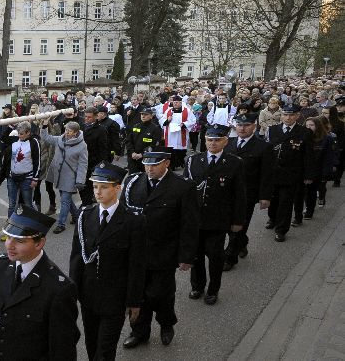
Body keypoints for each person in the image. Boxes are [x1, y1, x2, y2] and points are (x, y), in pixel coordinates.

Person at [0, 204, 80, 361]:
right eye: (8, 237)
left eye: (19, 240)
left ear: (39, 243)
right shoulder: (0, 267)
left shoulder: (58, 288)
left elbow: (62, 349)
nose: (10, 245)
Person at [121, 147, 199, 349]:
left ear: (167, 163)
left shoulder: (182, 187)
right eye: (147, 164)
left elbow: (189, 225)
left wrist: (187, 256)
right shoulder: (132, 182)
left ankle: (166, 323)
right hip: (136, 253)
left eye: (154, 164)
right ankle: (139, 332)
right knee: (136, 294)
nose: (149, 168)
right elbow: (122, 217)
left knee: (160, 294)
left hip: (164, 252)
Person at [70, 162, 147, 361]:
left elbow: (136, 264)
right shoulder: (85, 216)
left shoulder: (132, 221)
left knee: (105, 350)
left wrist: (134, 301)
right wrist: (72, 292)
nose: (98, 192)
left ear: (117, 188)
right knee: (91, 343)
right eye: (95, 186)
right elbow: (77, 258)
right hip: (88, 295)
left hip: (115, 297)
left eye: (104, 187)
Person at [183, 124, 246, 305]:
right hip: (196, 219)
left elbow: (239, 195)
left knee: (215, 257)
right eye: (210, 140)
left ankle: (213, 289)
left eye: (217, 140)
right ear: (205, 141)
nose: (213, 143)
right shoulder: (194, 160)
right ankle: (197, 286)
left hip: (218, 220)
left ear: (225, 141)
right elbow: (186, 191)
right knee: (196, 256)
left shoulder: (234, 163)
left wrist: (237, 220)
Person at [223, 114, 273, 270]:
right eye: (239, 125)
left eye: (246, 125)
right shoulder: (227, 143)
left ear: (254, 126)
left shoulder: (263, 147)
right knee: (226, 224)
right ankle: (242, 242)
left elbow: (267, 174)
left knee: (239, 225)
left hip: (247, 194)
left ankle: (230, 258)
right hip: (226, 193)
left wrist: (265, 196)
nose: (242, 128)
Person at [266, 104, 316, 242]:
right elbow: (267, 151)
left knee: (285, 203)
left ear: (297, 116)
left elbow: (309, 156)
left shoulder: (304, 132)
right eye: (285, 114)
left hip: (292, 174)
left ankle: (281, 229)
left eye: (291, 115)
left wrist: (308, 175)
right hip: (273, 173)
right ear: (281, 115)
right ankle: (272, 218)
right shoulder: (272, 130)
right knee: (273, 199)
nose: (288, 118)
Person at [40, 120, 88, 234]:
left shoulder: (82, 145)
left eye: (69, 131)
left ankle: (61, 224)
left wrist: (80, 180)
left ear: (76, 133)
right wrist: (45, 125)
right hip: (59, 175)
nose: (66, 132)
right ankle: (76, 216)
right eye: (66, 129)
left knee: (64, 200)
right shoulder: (60, 139)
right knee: (66, 198)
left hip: (70, 177)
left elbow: (83, 164)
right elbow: (46, 137)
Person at [302, 117, 338, 219]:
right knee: (306, 191)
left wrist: (326, 173)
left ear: (317, 126)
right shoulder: (303, 137)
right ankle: (308, 206)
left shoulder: (327, 138)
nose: (308, 128)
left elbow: (328, 157)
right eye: (307, 125)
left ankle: (310, 210)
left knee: (313, 190)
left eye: (311, 125)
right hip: (306, 169)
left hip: (319, 169)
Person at [5, 121, 40, 217]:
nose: (19, 136)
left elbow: (37, 161)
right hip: (12, 177)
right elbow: (3, 138)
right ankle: (11, 225)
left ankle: (33, 224)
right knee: (12, 204)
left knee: (28, 204)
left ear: (28, 132)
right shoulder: (15, 140)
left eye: (21, 134)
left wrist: (35, 178)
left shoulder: (34, 142)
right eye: (18, 133)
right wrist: (9, 127)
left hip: (27, 178)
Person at [80, 107, 109, 206]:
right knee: (81, 186)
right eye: (86, 117)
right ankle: (85, 204)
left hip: (93, 162)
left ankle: (86, 207)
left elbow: (103, 148)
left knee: (88, 187)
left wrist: (102, 165)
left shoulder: (101, 130)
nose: (87, 119)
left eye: (89, 117)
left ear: (96, 117)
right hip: (81, 162)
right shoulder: (81, 127)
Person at [159, 95, 196, 170]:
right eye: (174, 102)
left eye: (177, 102)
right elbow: (161, 120)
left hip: (181, 133)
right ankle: (172, 165)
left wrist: (184, 124)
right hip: (170, 134)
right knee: (171, 150)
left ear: (181, 103)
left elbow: (192, 120)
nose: (175, 104)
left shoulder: (187, 111)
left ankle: (180, 161)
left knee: (181, 149)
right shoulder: (168, 111)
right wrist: (167, 120)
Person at [125, 108, 163, 174]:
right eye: (142, 114)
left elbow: (154, 145)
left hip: (146, 159)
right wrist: (132, 152)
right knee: (132, 177)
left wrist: (142, 154)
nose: (143, 116)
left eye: (146, 114)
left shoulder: (155, 128)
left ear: (151, 116)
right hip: (133, 158)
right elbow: (129, 141)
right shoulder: (136, 126)